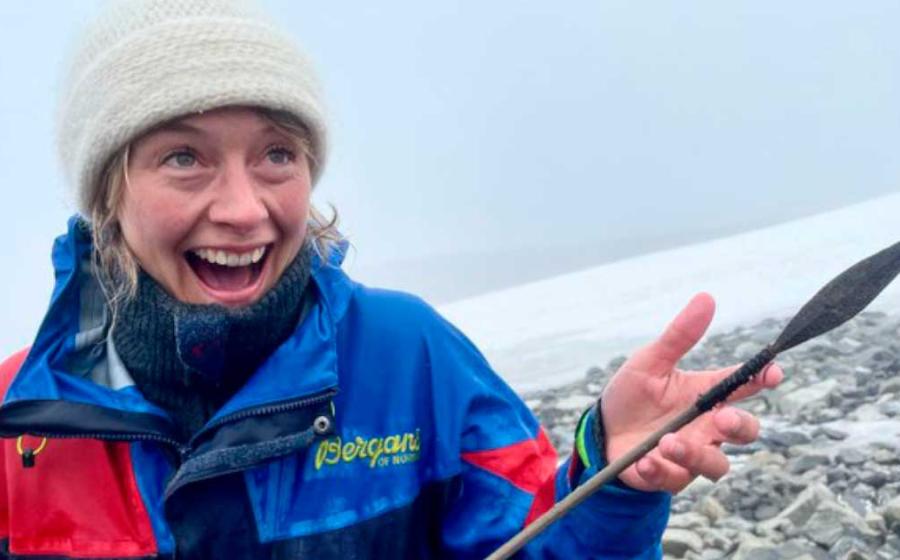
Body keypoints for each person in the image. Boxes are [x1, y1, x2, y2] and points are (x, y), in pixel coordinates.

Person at [0, 1, 782, 558]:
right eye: (183, 157)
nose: (244, 209)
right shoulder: (20, 423)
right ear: (107, 192)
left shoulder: (409, 357)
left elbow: (538, 541)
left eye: (277, 153)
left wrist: (608, 471)